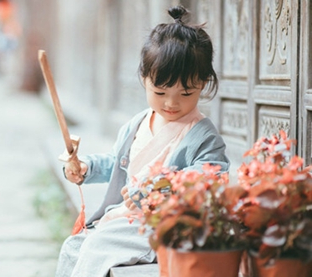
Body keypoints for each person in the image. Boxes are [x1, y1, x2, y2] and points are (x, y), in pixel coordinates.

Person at [55, 5, 230, 277]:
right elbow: (116, 163)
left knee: (97, 246)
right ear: (145, 79)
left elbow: (212, 175)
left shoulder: (203, 135)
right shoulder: (136, 123)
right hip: (127, 216)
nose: (172, 103)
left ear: (204, 83)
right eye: (160, 92)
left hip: (163, 225)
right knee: (72, 246)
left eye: (186, 93)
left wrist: (161, 184)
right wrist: (86, 168)